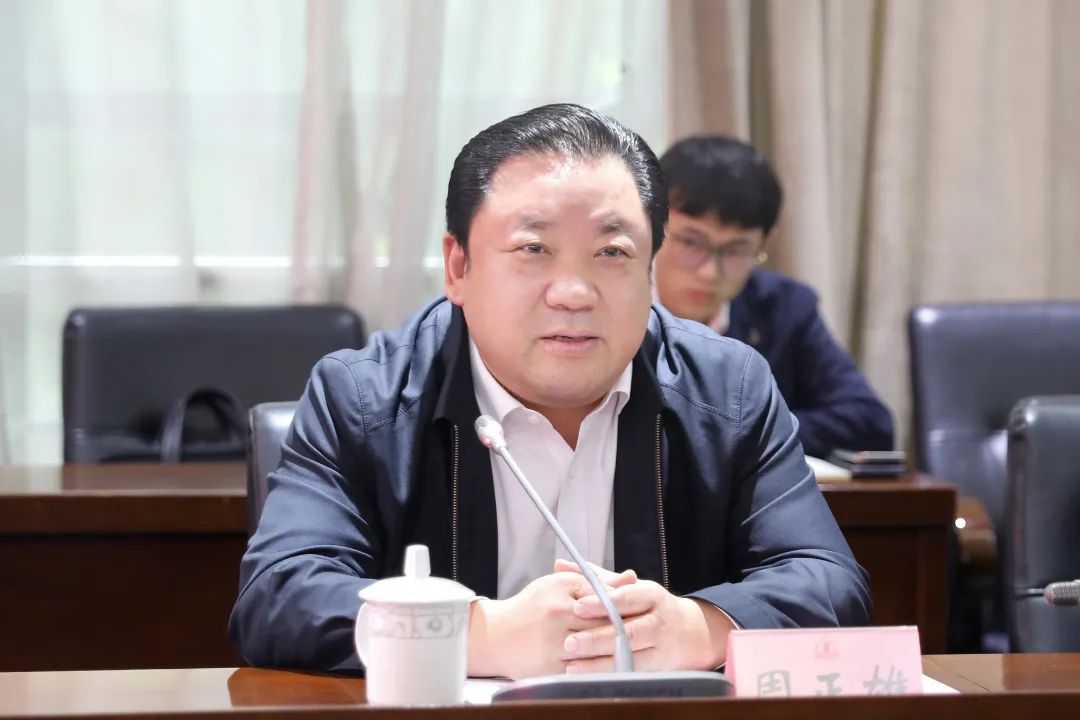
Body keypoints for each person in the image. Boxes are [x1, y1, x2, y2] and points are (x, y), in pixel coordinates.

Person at [229, 104, 871, 678]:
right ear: (459, 266)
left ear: (649, 269)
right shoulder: (364, 396)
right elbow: (279, 596)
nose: (573, 293)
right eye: (533, 248)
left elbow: (830, 582)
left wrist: (700, 626)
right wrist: (480, 635)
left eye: (612, 253)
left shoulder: (729, 389)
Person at [653, 135, 894, 459]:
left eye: (736, 250)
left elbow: (871, 423)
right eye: (691, 242)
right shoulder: (615, 303)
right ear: (652, 223)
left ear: (764, 244)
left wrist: (736, 434)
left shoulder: (784, 307)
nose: (710, 272)